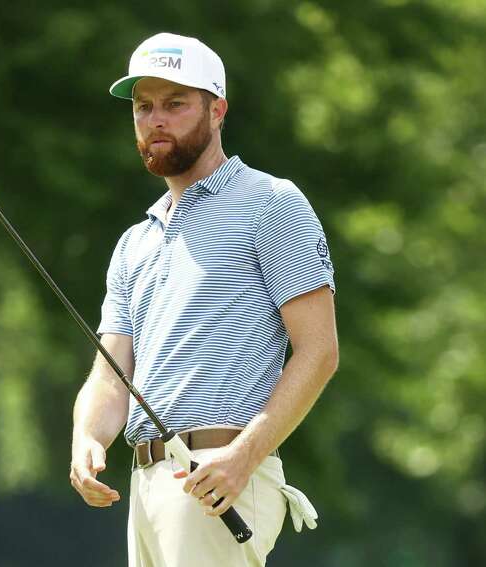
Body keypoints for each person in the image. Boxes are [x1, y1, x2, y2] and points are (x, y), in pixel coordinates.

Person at [69, 32, 339, 567]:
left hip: (220, 471)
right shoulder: (135, 241)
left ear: (217, 111)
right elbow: (109, 373)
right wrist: (87, 436)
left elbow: (319, 351)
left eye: (175, 104)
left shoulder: (270, 203)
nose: (156, 119)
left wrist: (245, 455)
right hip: (147, 486)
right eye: (144, 107)